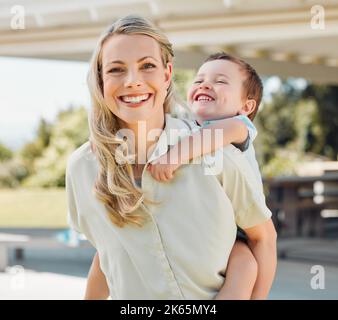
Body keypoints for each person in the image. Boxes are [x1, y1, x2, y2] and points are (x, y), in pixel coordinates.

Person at [66, 14, 277, 300]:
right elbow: (106, 257)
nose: (132, 81)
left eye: (147, 66)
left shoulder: (217, 152)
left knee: (243, 260)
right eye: (116, 69)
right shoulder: (81, 168)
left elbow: (262, 238)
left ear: (167, 75)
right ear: (100, 81)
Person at [147, 52, 267, 298]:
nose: (205, 84)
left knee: (245, 265)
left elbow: (212, 137)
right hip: (206, 225)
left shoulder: (239, 126)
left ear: (245, 106)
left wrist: (173, 157)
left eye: (221, 81)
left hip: (239, 228)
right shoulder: (185, 126)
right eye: (199, 79)